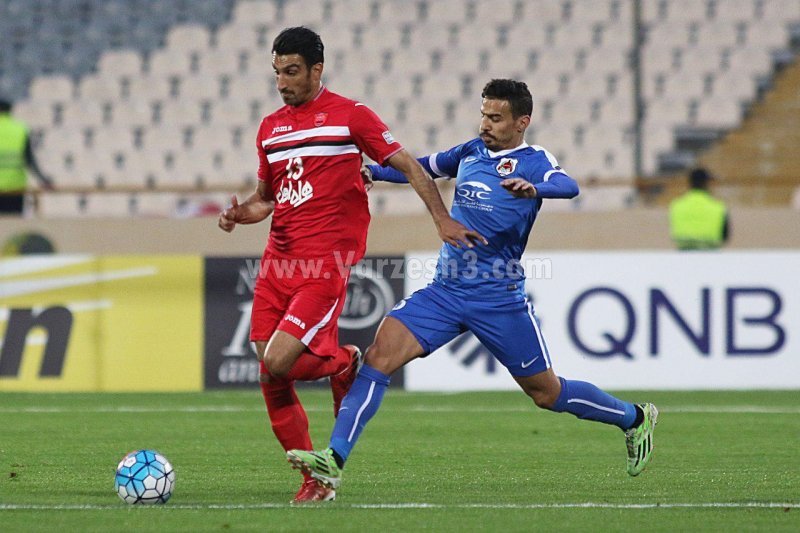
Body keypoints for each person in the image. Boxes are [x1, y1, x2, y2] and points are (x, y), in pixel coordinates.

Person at [286, 79, 659, 496]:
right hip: (445, 291)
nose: (486, 124)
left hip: (498, 297)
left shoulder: (534, 161)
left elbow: (567, 185)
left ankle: (634, 418)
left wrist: (535, 188)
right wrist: (373, 170)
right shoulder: (470, 151)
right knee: (378, 356)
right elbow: (421, 166)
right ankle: (333, 460)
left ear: (522, 122)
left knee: (545, 392)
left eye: (496, 118)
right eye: (484, 115)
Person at [217, 27, 484, 504]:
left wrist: (442, 218)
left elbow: (410, 166)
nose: (283, 82)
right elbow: (267, 201)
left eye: (292, 71)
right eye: (277, 72)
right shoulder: (269, 128)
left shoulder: (350, 117)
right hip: (278, 263)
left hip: (324, 264)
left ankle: (344, 363)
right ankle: (315, 481)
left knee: (279, 361)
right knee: (266, 368)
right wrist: (242, 214)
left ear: (317, 70)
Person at [0, 99, 54, 214]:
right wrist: (44, 180)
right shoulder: (20, 129)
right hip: (14, 188)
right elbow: (30, 160)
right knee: (12, 226)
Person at [669, 167, 729, 250]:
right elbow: (725, 236)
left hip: (684, 253)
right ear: (706, 184)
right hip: (710, 252)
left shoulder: (676, 205)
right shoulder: (718, 207)